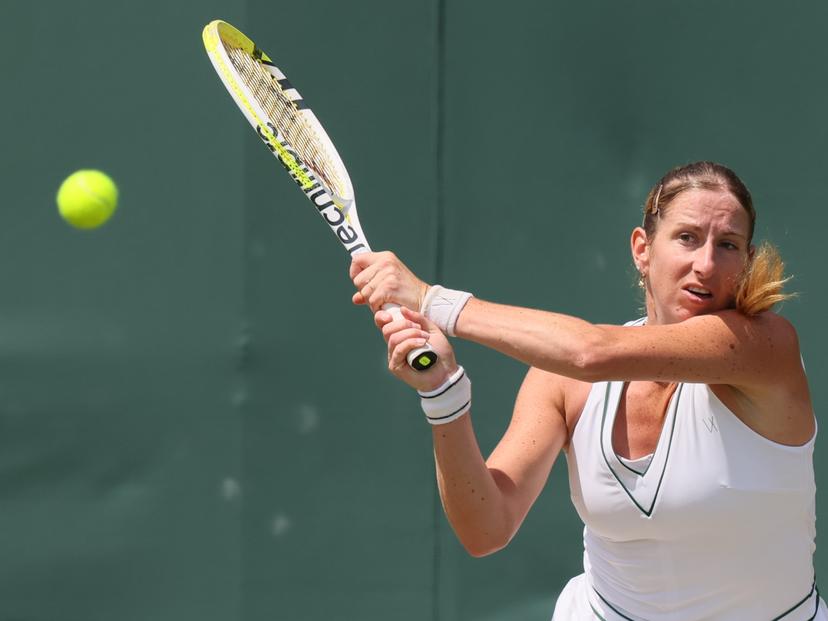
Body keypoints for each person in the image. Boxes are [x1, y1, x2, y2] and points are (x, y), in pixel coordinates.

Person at [349, 161, 824, 620]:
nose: (706, 263)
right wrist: (442, 393)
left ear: (748, 261)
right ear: (643, 248)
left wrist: (432, 300)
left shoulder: (765, 347)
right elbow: (485, 528)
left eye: (728, 245)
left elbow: (589, 353)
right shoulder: (561, 384)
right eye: (687, 238)